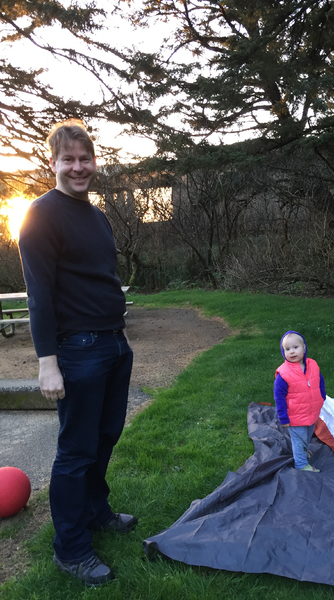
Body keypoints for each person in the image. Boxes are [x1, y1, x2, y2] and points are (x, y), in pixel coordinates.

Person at [18, 119, 137, 587]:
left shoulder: (96, 214)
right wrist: (47, 362)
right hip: (78, 350)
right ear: (53, 163)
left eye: (85, 158)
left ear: (94, 162)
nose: (78, 167)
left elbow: (102, 277)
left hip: (114, 342)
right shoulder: (41, 215)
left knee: (105, 437)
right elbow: (39, 296)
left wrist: (119, 333)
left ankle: (95, 511)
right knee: (75, 451)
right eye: (68, 159)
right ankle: (70, 549)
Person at [273, 331, 326, 472]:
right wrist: (283, 416)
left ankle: (302, 452)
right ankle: (301, 464)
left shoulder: (312, 365)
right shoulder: (284, 374)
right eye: (287, 349)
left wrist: (322, 396)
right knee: (299, 440)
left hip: (311, 412)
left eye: (295, 347)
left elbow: (319, 381)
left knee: (307, 436)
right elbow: (279, 396)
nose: (292, 351)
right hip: (295, 415)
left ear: (304, 348)